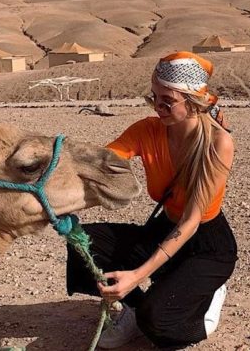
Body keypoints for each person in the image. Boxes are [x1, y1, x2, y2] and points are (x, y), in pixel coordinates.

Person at [66, 51, 238, 349]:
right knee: (82, 242)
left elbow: (191, 221)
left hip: (205, 246)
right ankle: (133, 307)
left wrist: (137, 275)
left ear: (193, 101)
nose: (157, 107)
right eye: (154, 97)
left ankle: (208, 306)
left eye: (167, 101)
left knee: (158, 323)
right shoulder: (147, 130)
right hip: (164, 229)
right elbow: (104, 162)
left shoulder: (217, 142)